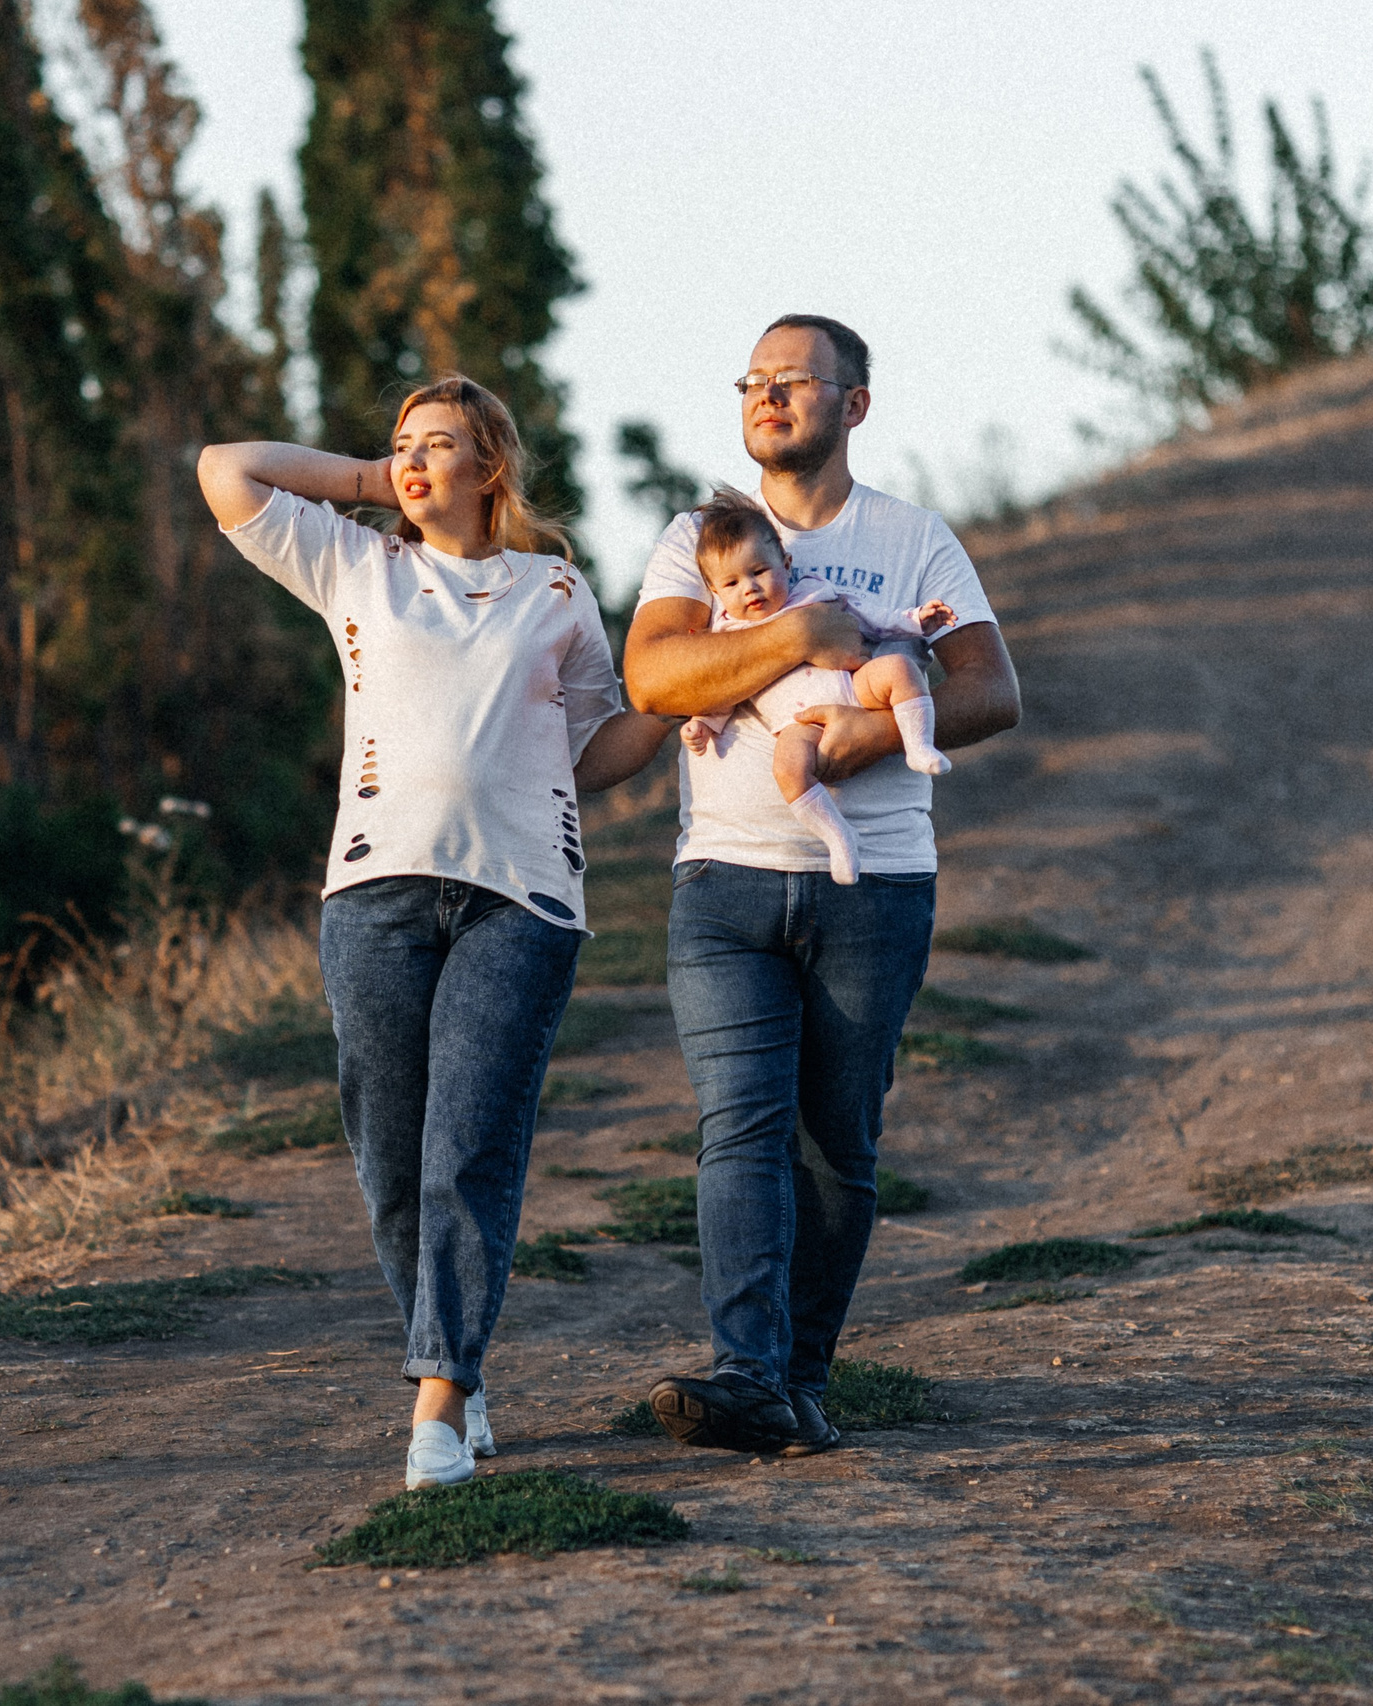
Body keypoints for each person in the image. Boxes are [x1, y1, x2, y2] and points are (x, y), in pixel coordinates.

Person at [197, 375, 673, 1489]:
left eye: (438, 444)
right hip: (374, 892)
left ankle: (441, 1402)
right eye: (402, 442)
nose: (413, 459)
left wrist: (678, 705)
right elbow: (225, 469)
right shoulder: (356, 563)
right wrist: (373, 481)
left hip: (522, 897)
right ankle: (451, 1348)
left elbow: (593, 749)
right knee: (391, 1155)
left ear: (490, 466)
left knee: (470, 1144)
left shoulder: (556, 590)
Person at [622, 315, 1020, 1456]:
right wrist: (801, 630)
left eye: (793, 379)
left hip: (875, 889)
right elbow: (655, 673)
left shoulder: (913, 537)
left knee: (837, 1145)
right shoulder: (698, 539)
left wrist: (866, 737)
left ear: (854, 404)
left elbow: (991, 691)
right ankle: (746, 1373)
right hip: (725, 888)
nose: (767, 395)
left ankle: (799, 1381)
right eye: (753, 380)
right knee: (739, 1126)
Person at [678, 488, 958, 884]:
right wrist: (703, 724)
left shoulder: (812, 591)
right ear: (716, 592)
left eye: (759, 571)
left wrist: (914, 620)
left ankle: (919, 745)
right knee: (788, 768)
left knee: (899, 668)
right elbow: (726, 690)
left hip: (855, 687)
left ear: (786, 563)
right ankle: (838, 837)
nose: (750, 588)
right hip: (798, 722)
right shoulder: (729, 634)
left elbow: (867, 616)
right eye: (732, 582)